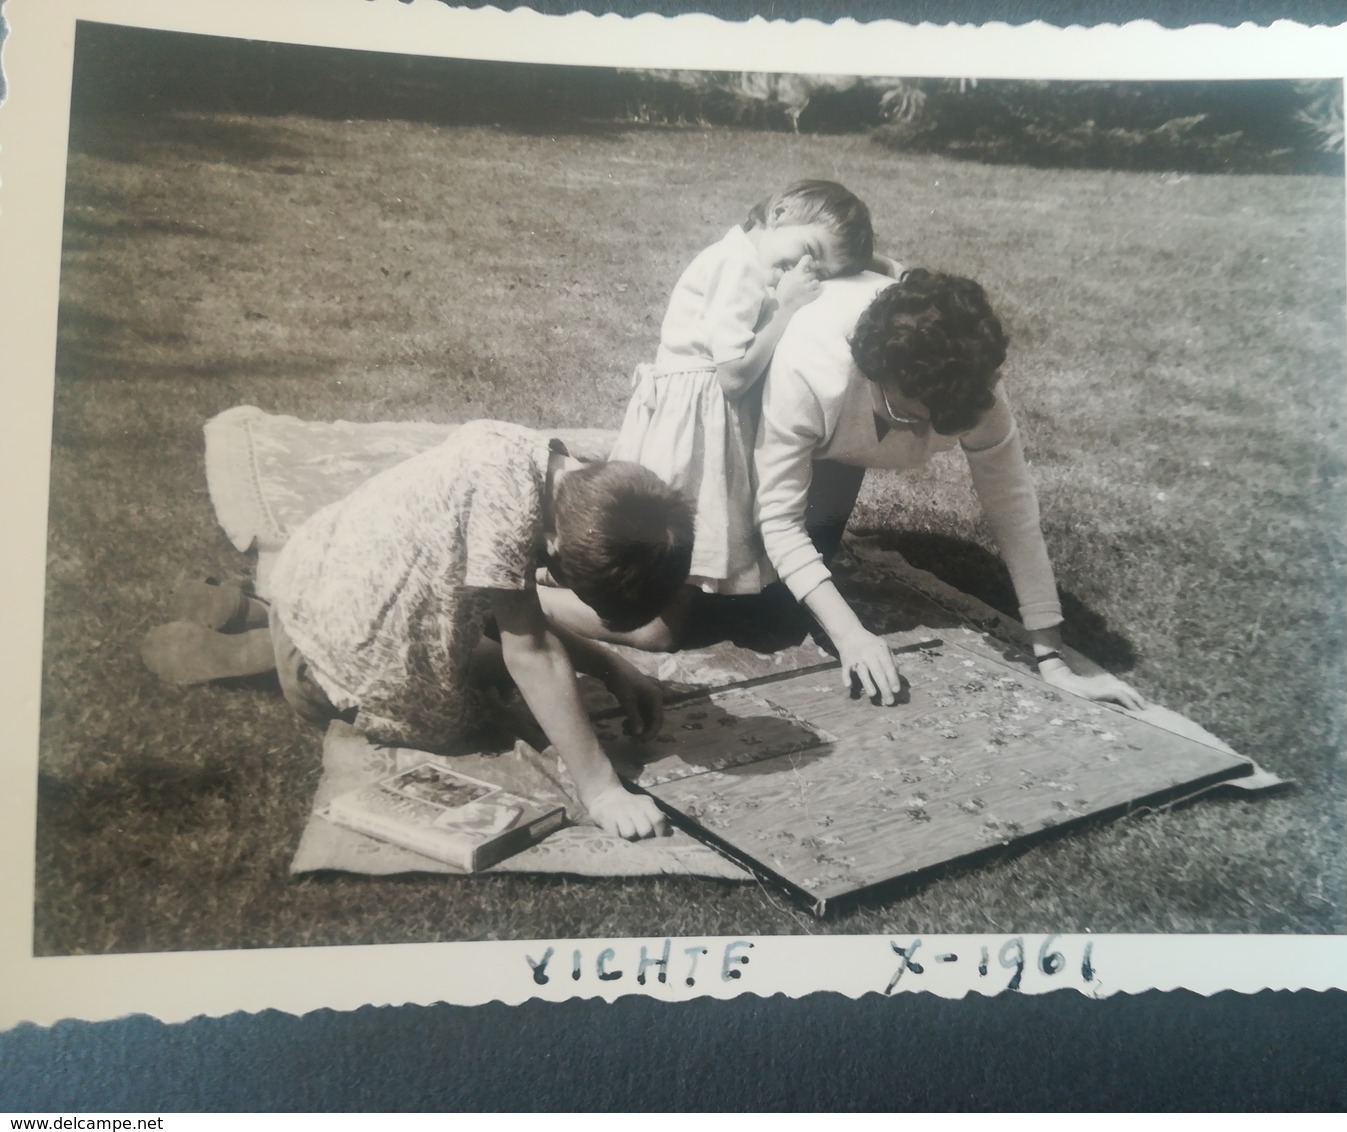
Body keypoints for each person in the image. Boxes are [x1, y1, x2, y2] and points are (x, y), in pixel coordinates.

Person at [141, 421, 694, 840]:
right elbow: (530, 651)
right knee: (475, 703)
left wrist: (610, 666)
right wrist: (600, 790)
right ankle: (275, 658)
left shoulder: (535, 458)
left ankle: (264, 615)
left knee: (476, 638)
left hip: (316, 569)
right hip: (345, 641)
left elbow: (515, 615)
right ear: (555, 548)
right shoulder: (510, 517)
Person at [753, 267, 1149, 711]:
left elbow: (1012, 510)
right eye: (906, 415)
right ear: (875, 373)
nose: (918, 435)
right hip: (746, 386)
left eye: (936, 422)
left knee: (802, 584)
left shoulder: (970, 385)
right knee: (747, 607)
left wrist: (1052, 658)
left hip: (842, 412)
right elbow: (779, 521)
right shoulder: (809, 367)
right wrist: (851, 636)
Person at [540, 181, 877, 648]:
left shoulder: (746, 257)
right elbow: (734, 377)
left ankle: (582, 581)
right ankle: (541, 606)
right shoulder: (735, 267)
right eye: (808, 250)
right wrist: (787, 309)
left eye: (819, 269)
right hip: (696, 429)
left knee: (660, 556)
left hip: (702, 422)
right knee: (664, 600)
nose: (803, 270)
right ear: (779, 212)